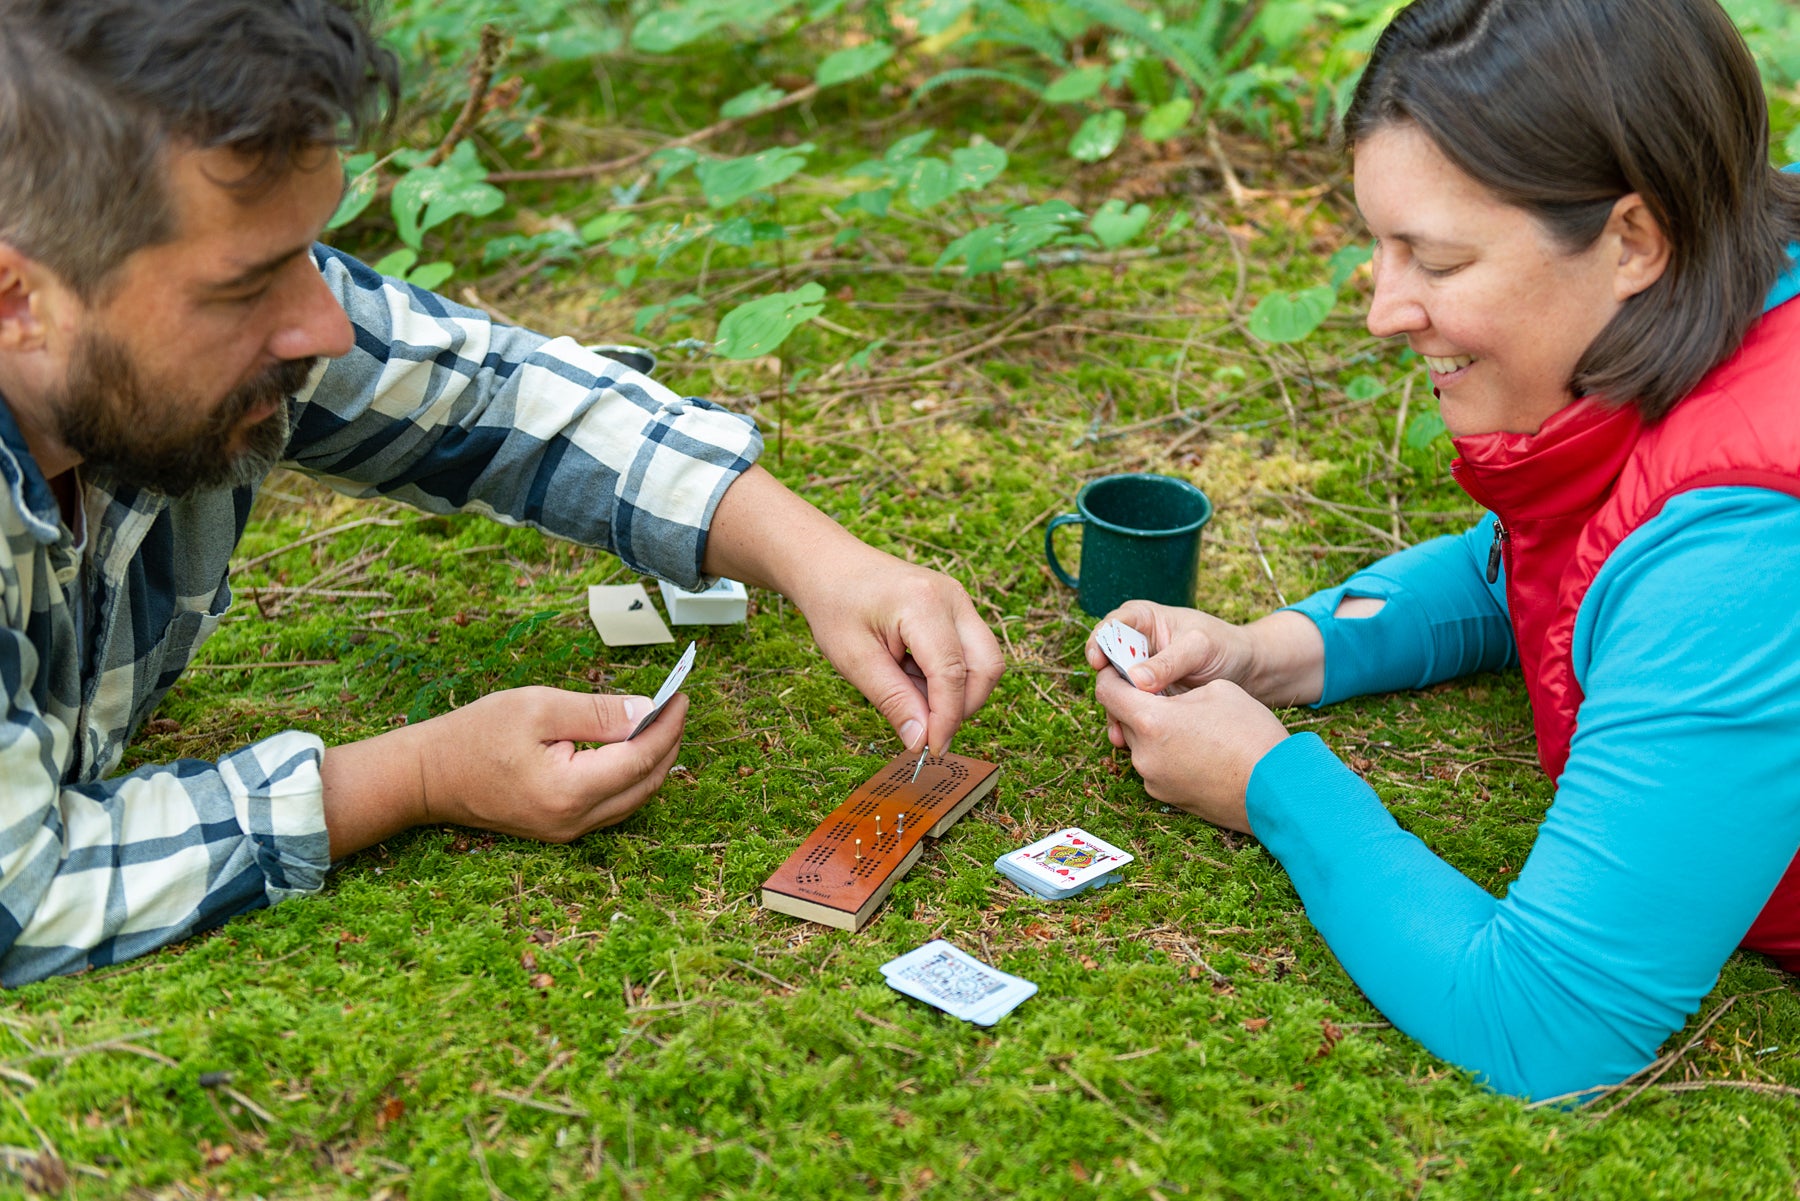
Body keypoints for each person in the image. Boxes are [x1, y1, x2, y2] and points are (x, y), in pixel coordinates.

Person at [0, 0, 1003, 985]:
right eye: (246, 285)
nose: (327, 327)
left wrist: (824, 561)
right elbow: (25, 892)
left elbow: (499, 399)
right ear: (17, 301)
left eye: (309, 253)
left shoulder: (161, 321)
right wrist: (415, 776)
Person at [1091, 0, 1800, 1101]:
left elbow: (1549, 1026)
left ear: (1632, 239)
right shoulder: (1737, 287)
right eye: (1379, 247)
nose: (1382, 309)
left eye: (1434, 257)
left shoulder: (1755, 544)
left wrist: (1271, 783)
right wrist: (1268, 652)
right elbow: (1562, 563)